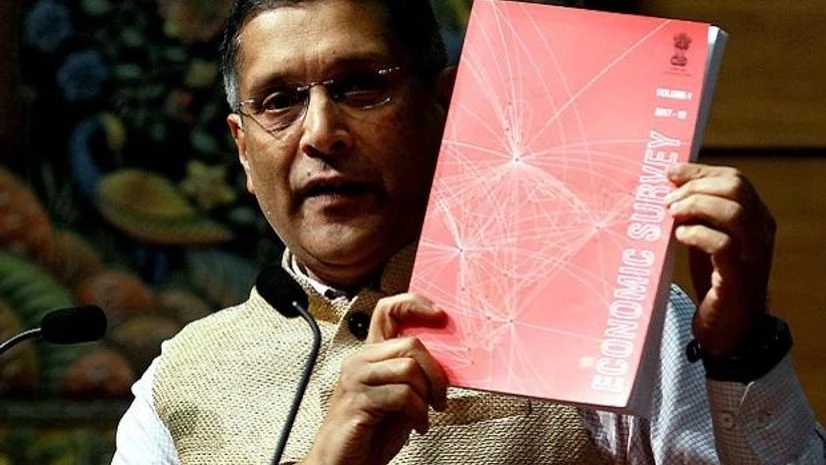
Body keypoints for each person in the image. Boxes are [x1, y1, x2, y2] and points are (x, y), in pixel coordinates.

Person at [111, 0, 826, 463]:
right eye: (279, 101)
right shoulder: (179, 381)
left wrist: (739, 349)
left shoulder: (609, 321)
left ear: (448, 108)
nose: (321, 132)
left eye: (361, 85)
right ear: (243, 151)